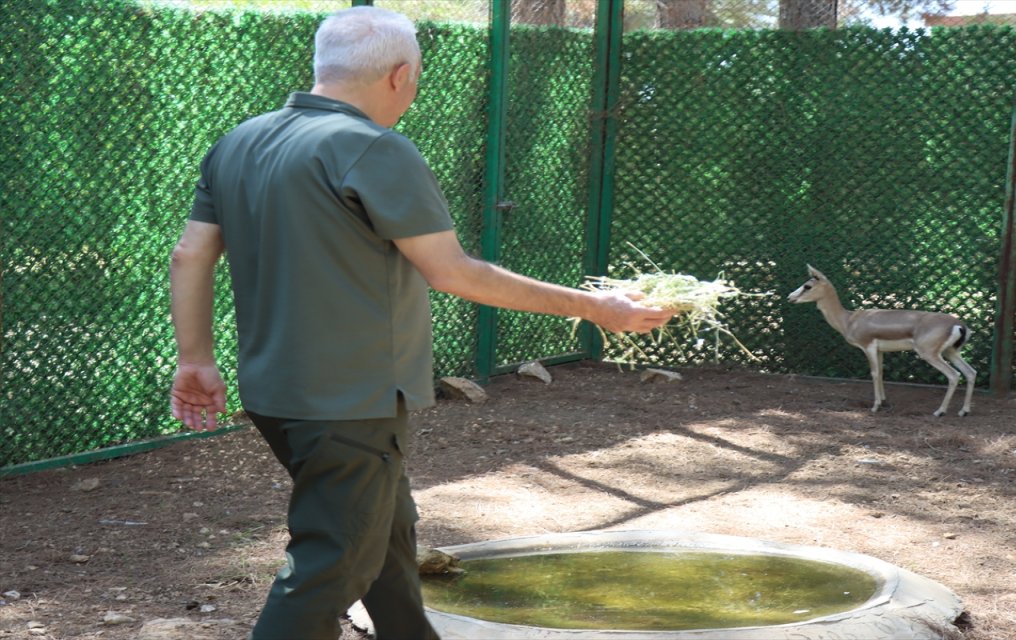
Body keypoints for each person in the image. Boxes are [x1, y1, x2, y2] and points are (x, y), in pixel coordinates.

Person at [167, 6, 675, 639]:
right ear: (400, 75)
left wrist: (195, 360)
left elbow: (190, 254)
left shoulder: (241, 141)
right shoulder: (372, 147)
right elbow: (453, 272)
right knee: (329, 564)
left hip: (277, 394)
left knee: (386, 532)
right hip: (348, 401)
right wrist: (597, 307)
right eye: (416, 80)